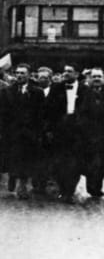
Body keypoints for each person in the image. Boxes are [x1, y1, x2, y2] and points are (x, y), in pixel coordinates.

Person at [0, 64, 44, 199]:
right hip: (12, 131)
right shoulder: (6, 92)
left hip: (29, 132)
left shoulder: (37, 92)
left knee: (26, 158)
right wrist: (0, 130)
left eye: (23, 73)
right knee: (13, 157)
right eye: (17, 73)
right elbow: (1, 113)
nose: (19, 75)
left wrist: (38, 132)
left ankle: (22, 185)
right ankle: (13, 176)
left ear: (29, 75)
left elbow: (40, 114)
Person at [45, 64, 88, 203]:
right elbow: (49, 110)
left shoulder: (85, 90)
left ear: (76, 74)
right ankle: (63, 189)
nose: (66, 74)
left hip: (77, 130)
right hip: (60, 129)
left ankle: (69, 191)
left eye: (69, 71)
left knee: (74, 163)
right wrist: (49, 129)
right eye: (65, 71)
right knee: (59, 161)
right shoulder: (56, 88)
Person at [77, 67, 104, 198]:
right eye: (94, 77)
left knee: (100, 163)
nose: (97, 79)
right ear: (90, 79)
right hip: (89, 135)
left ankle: (96, 187)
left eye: (99, 76)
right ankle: (92, 187)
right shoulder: (84, 94)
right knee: (92, 163)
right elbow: (81, 114)